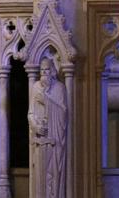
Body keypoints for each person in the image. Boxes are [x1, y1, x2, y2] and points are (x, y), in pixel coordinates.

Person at [28, 57, 67, 198]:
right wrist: (36, 127)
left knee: (53, 173)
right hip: (39, 140)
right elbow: (30, 113)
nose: (44, 73)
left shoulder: (60, 88)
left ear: (53, 71)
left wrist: (46, 101)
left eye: (47, 70)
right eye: (42, 70)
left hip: (54, 140)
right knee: (39, 174)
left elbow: (63, 112)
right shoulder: (35, 87)